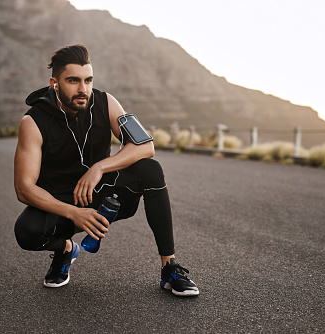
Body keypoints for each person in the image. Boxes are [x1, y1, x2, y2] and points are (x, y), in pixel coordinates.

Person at [13, 44, 198, 296]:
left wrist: (99, 168)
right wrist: (74, 213)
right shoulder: (33, 122)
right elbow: (24, 188)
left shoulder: (106, 102)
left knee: (150, 169)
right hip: (62, 202)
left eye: (88, 80)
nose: (83, 89)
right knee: (26, 232)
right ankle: (65, 250)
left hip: (104, 194)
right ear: (54, 83)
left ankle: (170, 267)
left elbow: (145, 145)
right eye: (73, 81)